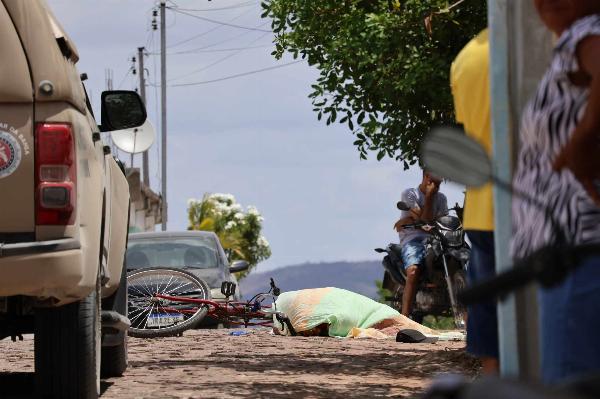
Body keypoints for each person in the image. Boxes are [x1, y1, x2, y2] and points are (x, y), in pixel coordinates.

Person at [513, 0, 600, 384]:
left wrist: (582, 140)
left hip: (577, 243)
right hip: (568, 244)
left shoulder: (586, 33)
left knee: (568, 381)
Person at [450, 29, 499, 374]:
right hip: (541, 208)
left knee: (492, 330)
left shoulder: (466, 58)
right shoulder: (549, 44)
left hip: (483, 209)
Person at [394, 171, 448, 318]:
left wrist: (411, 220)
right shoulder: (410, 194)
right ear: (426, 177)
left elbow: (441, 221)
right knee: (413, 271)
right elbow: (426, 219)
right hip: (413, 239)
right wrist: (429, 197)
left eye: (439, 183)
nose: (437, 186)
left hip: (435, 239)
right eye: (434, 182)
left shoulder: (442, 199)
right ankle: (404, 317)